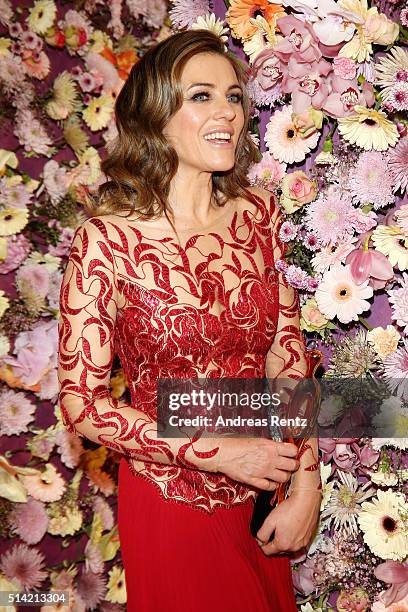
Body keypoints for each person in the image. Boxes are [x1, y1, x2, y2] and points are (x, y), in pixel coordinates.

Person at [57, 29, 322, 612]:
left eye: (232, 96)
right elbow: (82, 405)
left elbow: (286, 351)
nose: (226, 110)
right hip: (170, 500)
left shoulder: (259, 214)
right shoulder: (106, 241)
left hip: (263, 490)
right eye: (201, 96)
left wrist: (306, 482)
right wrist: (218, 452)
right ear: (156, 116)